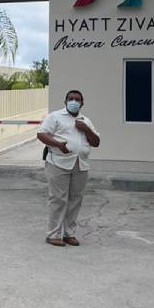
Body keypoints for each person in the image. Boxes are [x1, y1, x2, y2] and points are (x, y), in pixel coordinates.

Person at [36, 89, 101, 247]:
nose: (74, 101)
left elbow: (96, 142)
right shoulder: (55, 117)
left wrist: (86, 129)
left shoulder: (86, 120)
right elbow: (41, 134)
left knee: (75, 200)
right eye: (70, 99)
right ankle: (53, 235)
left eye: (77, 99)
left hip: (80, 164)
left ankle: (68, 234)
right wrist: (58, 144)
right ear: (65, 102)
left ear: (82, 103)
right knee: (58, 199)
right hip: (58, 163)